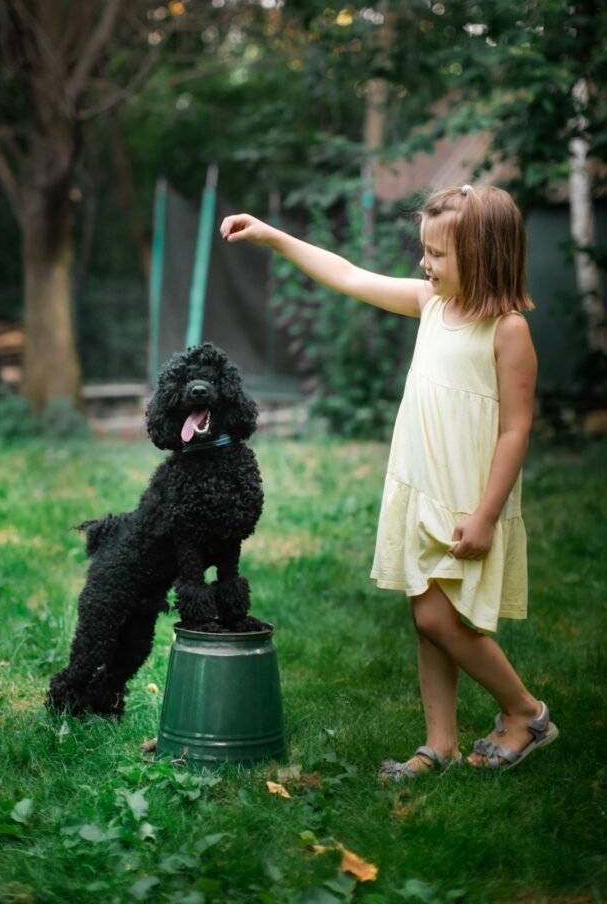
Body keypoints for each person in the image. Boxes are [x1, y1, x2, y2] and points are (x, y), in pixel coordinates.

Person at [220, 183, 558, 778]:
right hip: (420, 486)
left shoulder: (507, 330)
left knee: (439, 619)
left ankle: (525, 712)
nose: (423, 265)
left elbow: (515, 431)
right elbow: (348, 274)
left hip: (465, 500)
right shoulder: (431, 303)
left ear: (483, 255)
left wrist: (484, 515)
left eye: (437, 254)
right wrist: (273, 237)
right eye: (424, 251)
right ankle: (440, 744)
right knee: (427, 620)